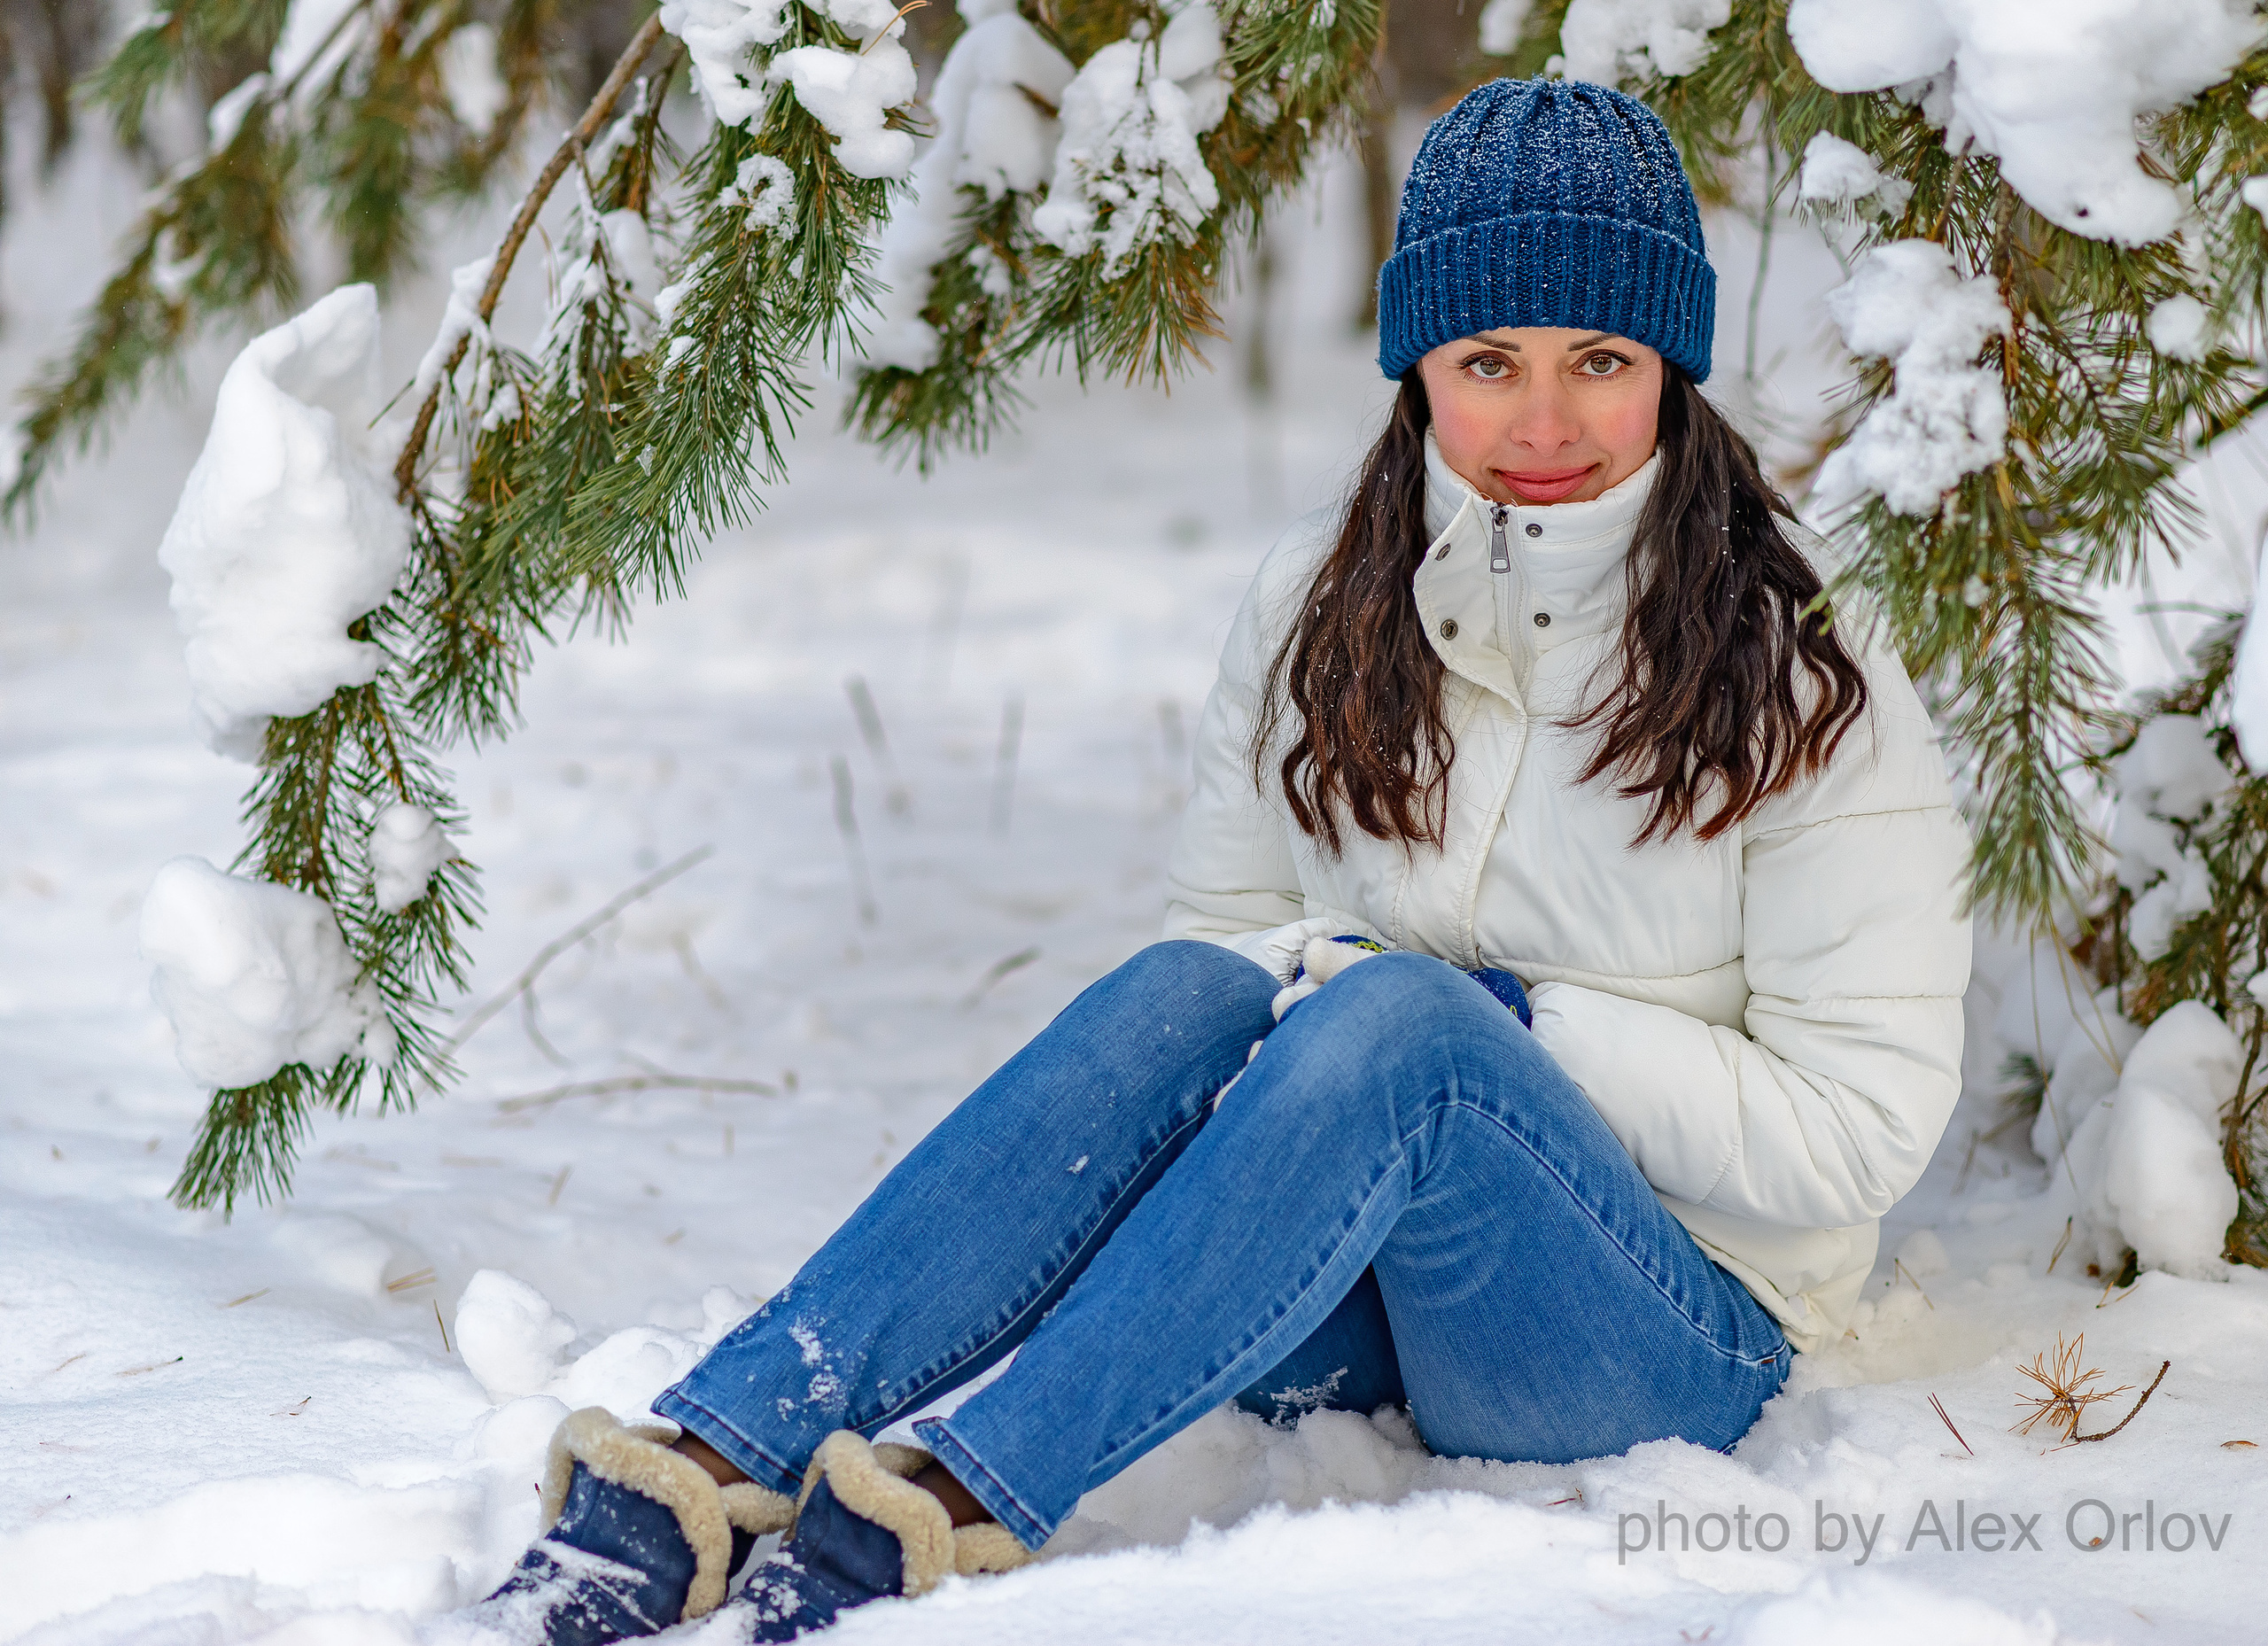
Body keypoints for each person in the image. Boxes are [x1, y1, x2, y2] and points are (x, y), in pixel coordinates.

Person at [444, 78, 1969, 1646]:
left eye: (1602, 360)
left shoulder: (1802, 665)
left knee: (1409, 1026)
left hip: (1658, 1333)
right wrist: (1355, 1012)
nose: (1545, 422)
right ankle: (708, 1455)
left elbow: (1860, 1129)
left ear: (1674, 366)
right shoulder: (1325, 599)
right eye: (1488, 361)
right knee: (1190, 987)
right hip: (1356, 1274)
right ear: (1415, 365)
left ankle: (954, 1504)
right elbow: (1229, 962)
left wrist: (1516, 1026)